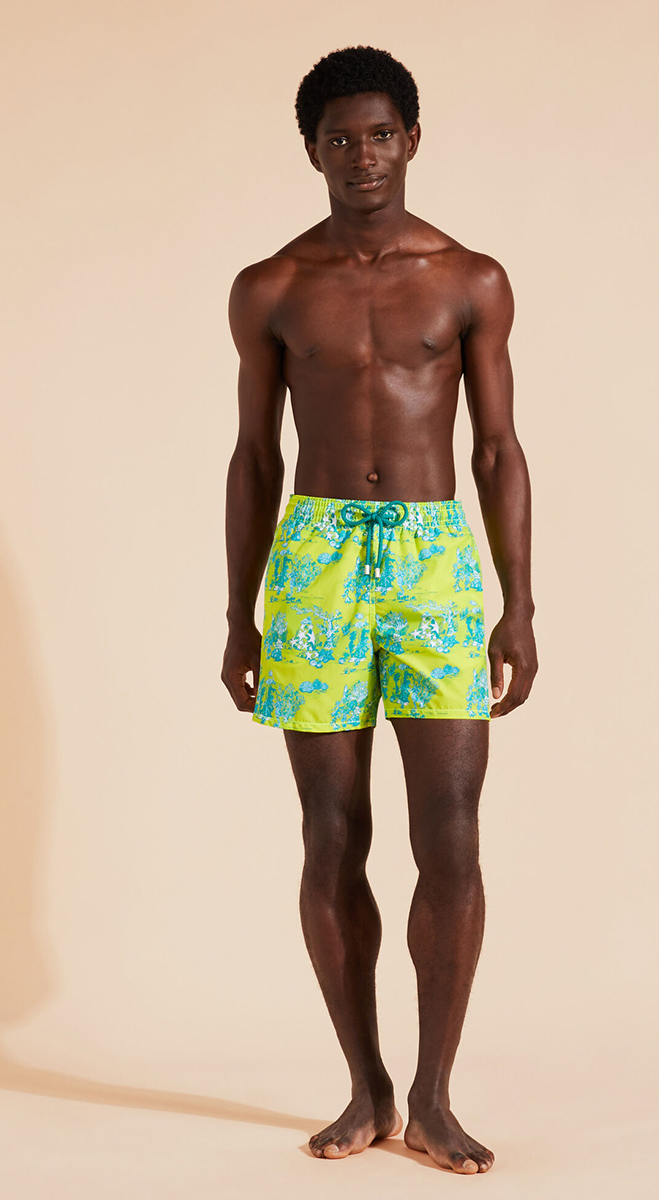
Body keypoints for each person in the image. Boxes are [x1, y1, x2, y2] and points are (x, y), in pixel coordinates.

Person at [221, 45, 536, 1175]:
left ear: (413, 139)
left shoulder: (469, 279)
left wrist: (519, 604)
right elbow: (255, 456)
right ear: (312, 150)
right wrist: (239, 614)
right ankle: (366, 1087)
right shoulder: (272, 286)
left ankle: (437, 1099)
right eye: (341, 139)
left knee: (450, 833)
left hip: (431, 559)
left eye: (381, 134)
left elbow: (497, 450)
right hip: (313, 562)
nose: (363, 155)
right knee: (330, 832)